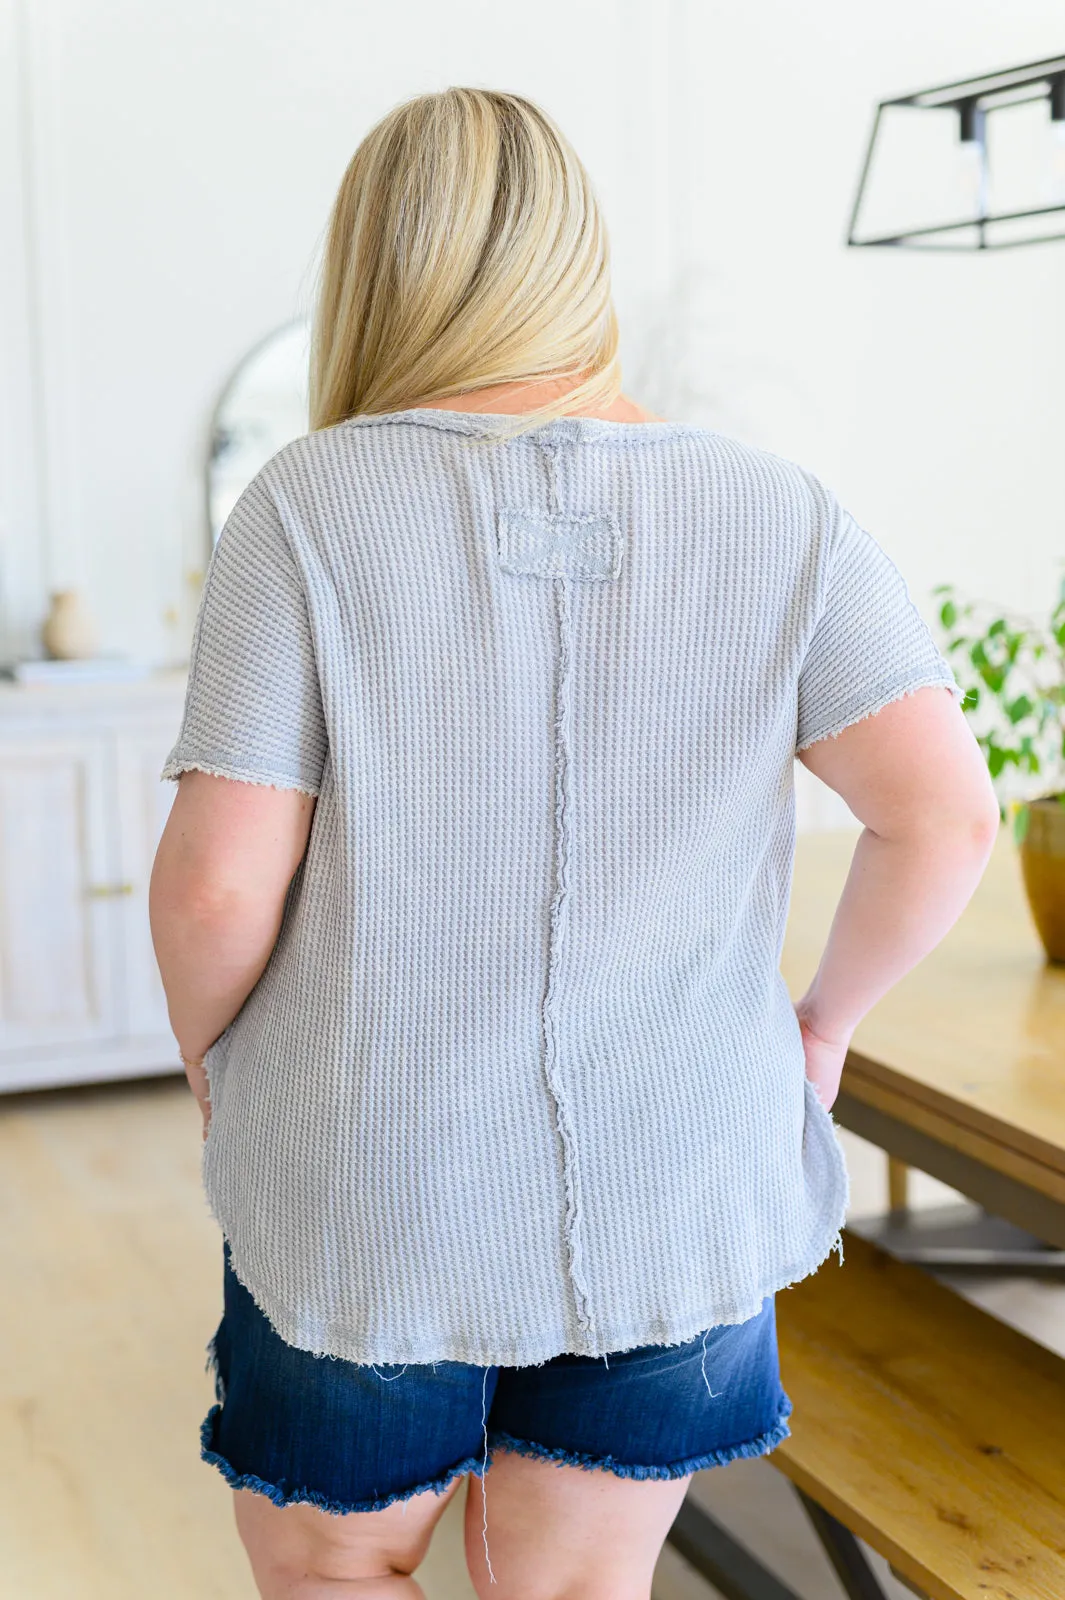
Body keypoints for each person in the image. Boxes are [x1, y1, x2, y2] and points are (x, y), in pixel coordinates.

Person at [149, 86, 1000, 1600]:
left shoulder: (304, 508)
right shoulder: (780, 515)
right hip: (686, 1177)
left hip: (369, 1180)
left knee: (342, 1569)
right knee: (571, 1588)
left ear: (372, 268)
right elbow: (942, 813)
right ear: (575, 264)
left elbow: (222, 877)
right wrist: (822, 1028)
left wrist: (211, 1055)